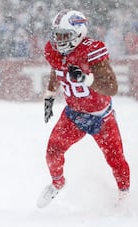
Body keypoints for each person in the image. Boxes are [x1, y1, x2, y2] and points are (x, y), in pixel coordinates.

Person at [37, 10, 130, 208]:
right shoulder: (54, 51)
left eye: (64, 36)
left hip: (101, 118)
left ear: (78, 34)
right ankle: (58, 183)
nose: (58, 41)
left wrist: (86, 79)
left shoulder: (91, 51)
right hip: (74, 116)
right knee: (52, 152)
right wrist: (50, 95)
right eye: (57, 34)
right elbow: (57, 69)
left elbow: (112, 87)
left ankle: (125, 197)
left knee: (116, 161)